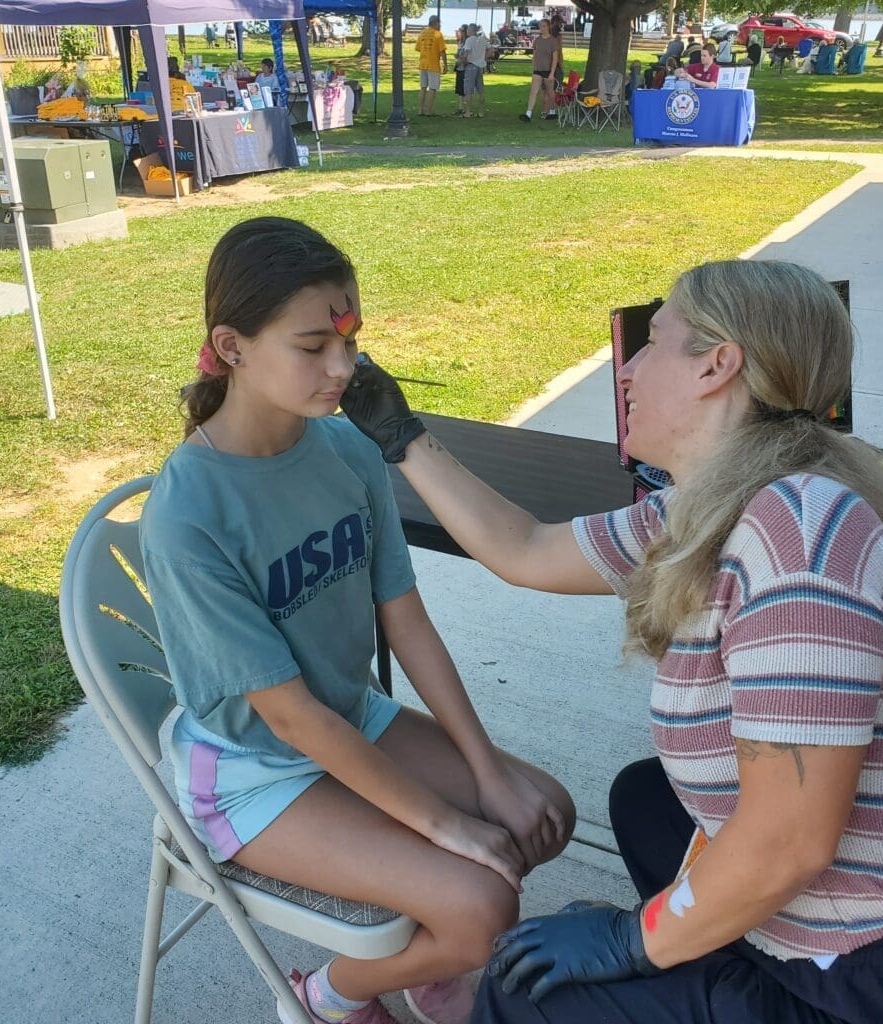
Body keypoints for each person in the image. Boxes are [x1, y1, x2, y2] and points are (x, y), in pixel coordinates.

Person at [340, 258, 883, 1024]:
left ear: (717, 366)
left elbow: (790, 845)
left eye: (653, 341)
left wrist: (635, 940)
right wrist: (402, 435)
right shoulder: (710, 504)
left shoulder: (800, 537)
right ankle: (714, 940)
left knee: (522, 997)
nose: (629, 369)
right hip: (851, 911)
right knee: (645, 798)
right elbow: (523, 547)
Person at [140, 218, 575, 1024]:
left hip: (350, 717)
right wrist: (447, 823)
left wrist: (486, 772)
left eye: (351, 340)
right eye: (313, 346)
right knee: (484, 901)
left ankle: (430, 963)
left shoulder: (347, 452)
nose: (344, 367)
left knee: (541, 814)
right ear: (231, 348)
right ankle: (325, 998)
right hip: (252, 773)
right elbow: (291, 718)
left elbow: (406, 622)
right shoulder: (189, 513)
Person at [520, 19, 561, 122]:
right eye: (540, 26)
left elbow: (555, 58)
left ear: (548, 27)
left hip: (548, 70)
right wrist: (534, 67)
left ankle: (552, 111)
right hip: (537, 70)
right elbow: (534, 55)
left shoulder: (553, 40)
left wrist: (552, 73)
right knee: (533, 92)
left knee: (550, 92)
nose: (541, 28)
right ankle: (528, 113)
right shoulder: (537, 40)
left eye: (543, 26)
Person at [415, 15, 448, 117]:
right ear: (436, 23)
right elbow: (442, 51)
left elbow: (419, 48)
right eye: (439, 23)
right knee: (432, 88)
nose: (440, 25)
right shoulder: (438, 34)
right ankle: (428, 111)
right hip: (433, 64)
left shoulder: (422, 33)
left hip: (423, 63)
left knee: (423, 87)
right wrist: (445, 65)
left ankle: (421, 109)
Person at [460, 24, 489, 119]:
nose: (467, 31)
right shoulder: (483, 39)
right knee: (480, 90)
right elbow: (491, 49)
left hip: (471, 65)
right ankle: (481, 112)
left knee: (468, 90)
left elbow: (467, 52)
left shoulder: (469, 40)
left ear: (471, 30)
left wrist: (463, 62)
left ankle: (468, 112)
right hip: (480, 66)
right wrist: (484, 58)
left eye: (468, 29)